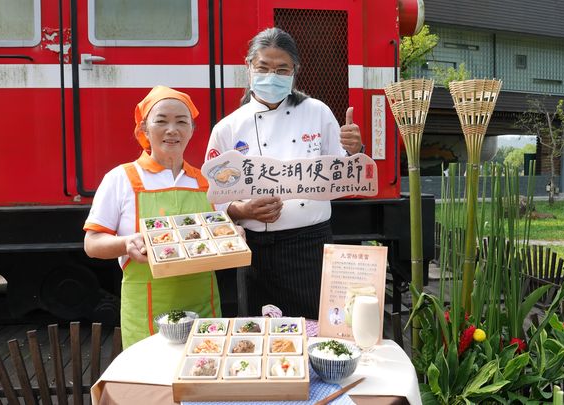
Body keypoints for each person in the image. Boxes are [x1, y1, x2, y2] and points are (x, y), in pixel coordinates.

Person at [205, 28, 363, 319]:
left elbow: (341, 173)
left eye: (281, 69)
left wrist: (354, 150)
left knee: (314, 328)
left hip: (311, 245)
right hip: (257, 252)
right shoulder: (228, 128)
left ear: (294, 72)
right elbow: (214, 196)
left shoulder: (317, 112)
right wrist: (243, 209)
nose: (272, 76)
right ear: (248, 67)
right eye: (263, 67)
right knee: (261, 333)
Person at [84, 86, 221, 348]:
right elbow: (92, 244)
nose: (172, 129)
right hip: (147, 310)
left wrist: (234, 233)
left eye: (182, 122)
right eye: (161, 121)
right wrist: (126, 244)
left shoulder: (206, 181)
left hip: (204, 306)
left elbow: (221, 232)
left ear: (192, 130)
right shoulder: (122, 178)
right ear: (144, 130)